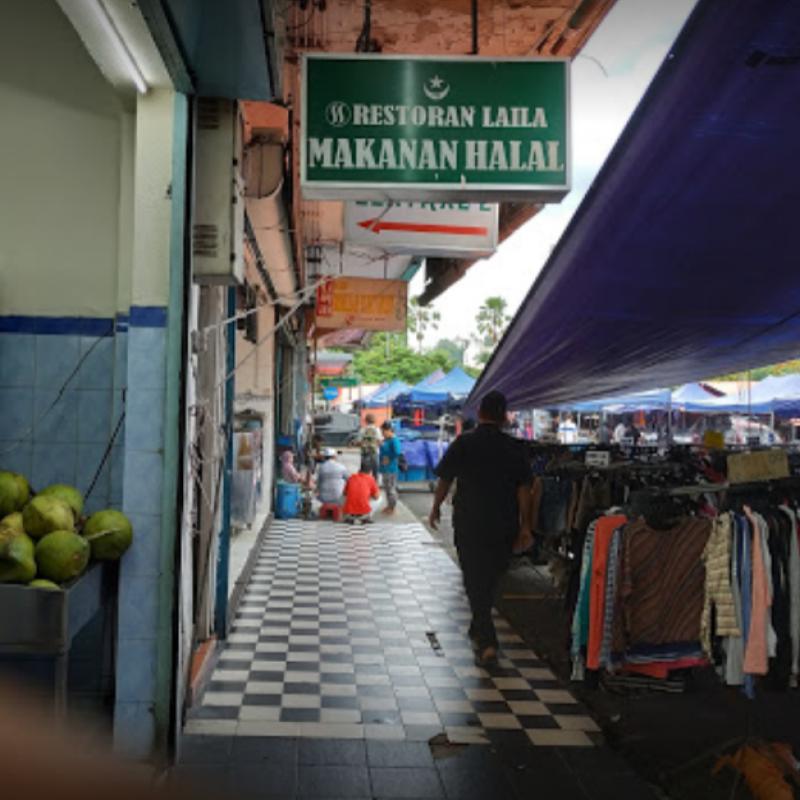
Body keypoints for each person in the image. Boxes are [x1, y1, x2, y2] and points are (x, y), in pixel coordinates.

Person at [429, 390, 532, 665]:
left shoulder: (464, 443)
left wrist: (435, 507)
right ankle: (482, 630)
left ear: (481, 413)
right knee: (490, 578)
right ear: (503, 416)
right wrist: (526, 525)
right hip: (504, 523)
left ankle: (486, 640)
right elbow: (524, 490)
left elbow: (445, 478)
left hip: (469, 521)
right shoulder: (515, 448)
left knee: (475, 578)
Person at [342, 459, 380, 524]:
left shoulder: (351, 477)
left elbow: (344, 493)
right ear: (370, 471)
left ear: (359, 469)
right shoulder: (371, 479)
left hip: (349, 511)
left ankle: (349, 516)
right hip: (364, 510)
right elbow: (376, 497)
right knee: (379, 498)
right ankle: (366, 517)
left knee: (344, 496)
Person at [316, 448, 348, 520]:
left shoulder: (321, 468)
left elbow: (318, 483)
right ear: (334, 457)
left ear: (324, 457)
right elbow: (348, 480)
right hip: (338, 497)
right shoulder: (341, 467)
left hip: (323, 498)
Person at [379, 420, 402, 515]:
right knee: (387, 488)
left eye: (383, 432)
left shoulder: (394, 440)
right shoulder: (386, 440)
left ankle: (392, 507)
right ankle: (389, 505)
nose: (382, 434)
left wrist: (389, 458)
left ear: (389, 430)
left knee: (391, 488)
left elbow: (397, 452)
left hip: (391, 469)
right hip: (385, 468)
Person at [358, 413, 382, 479]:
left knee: (364, 474)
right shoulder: (377, 430)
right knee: (375, 473)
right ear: (374, 421)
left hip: (365, 454)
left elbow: (359, 442)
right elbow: (380, 442)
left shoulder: (362, 430)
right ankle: (374, 487)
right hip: (375, 453)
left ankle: (365, 487)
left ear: (366, 421)